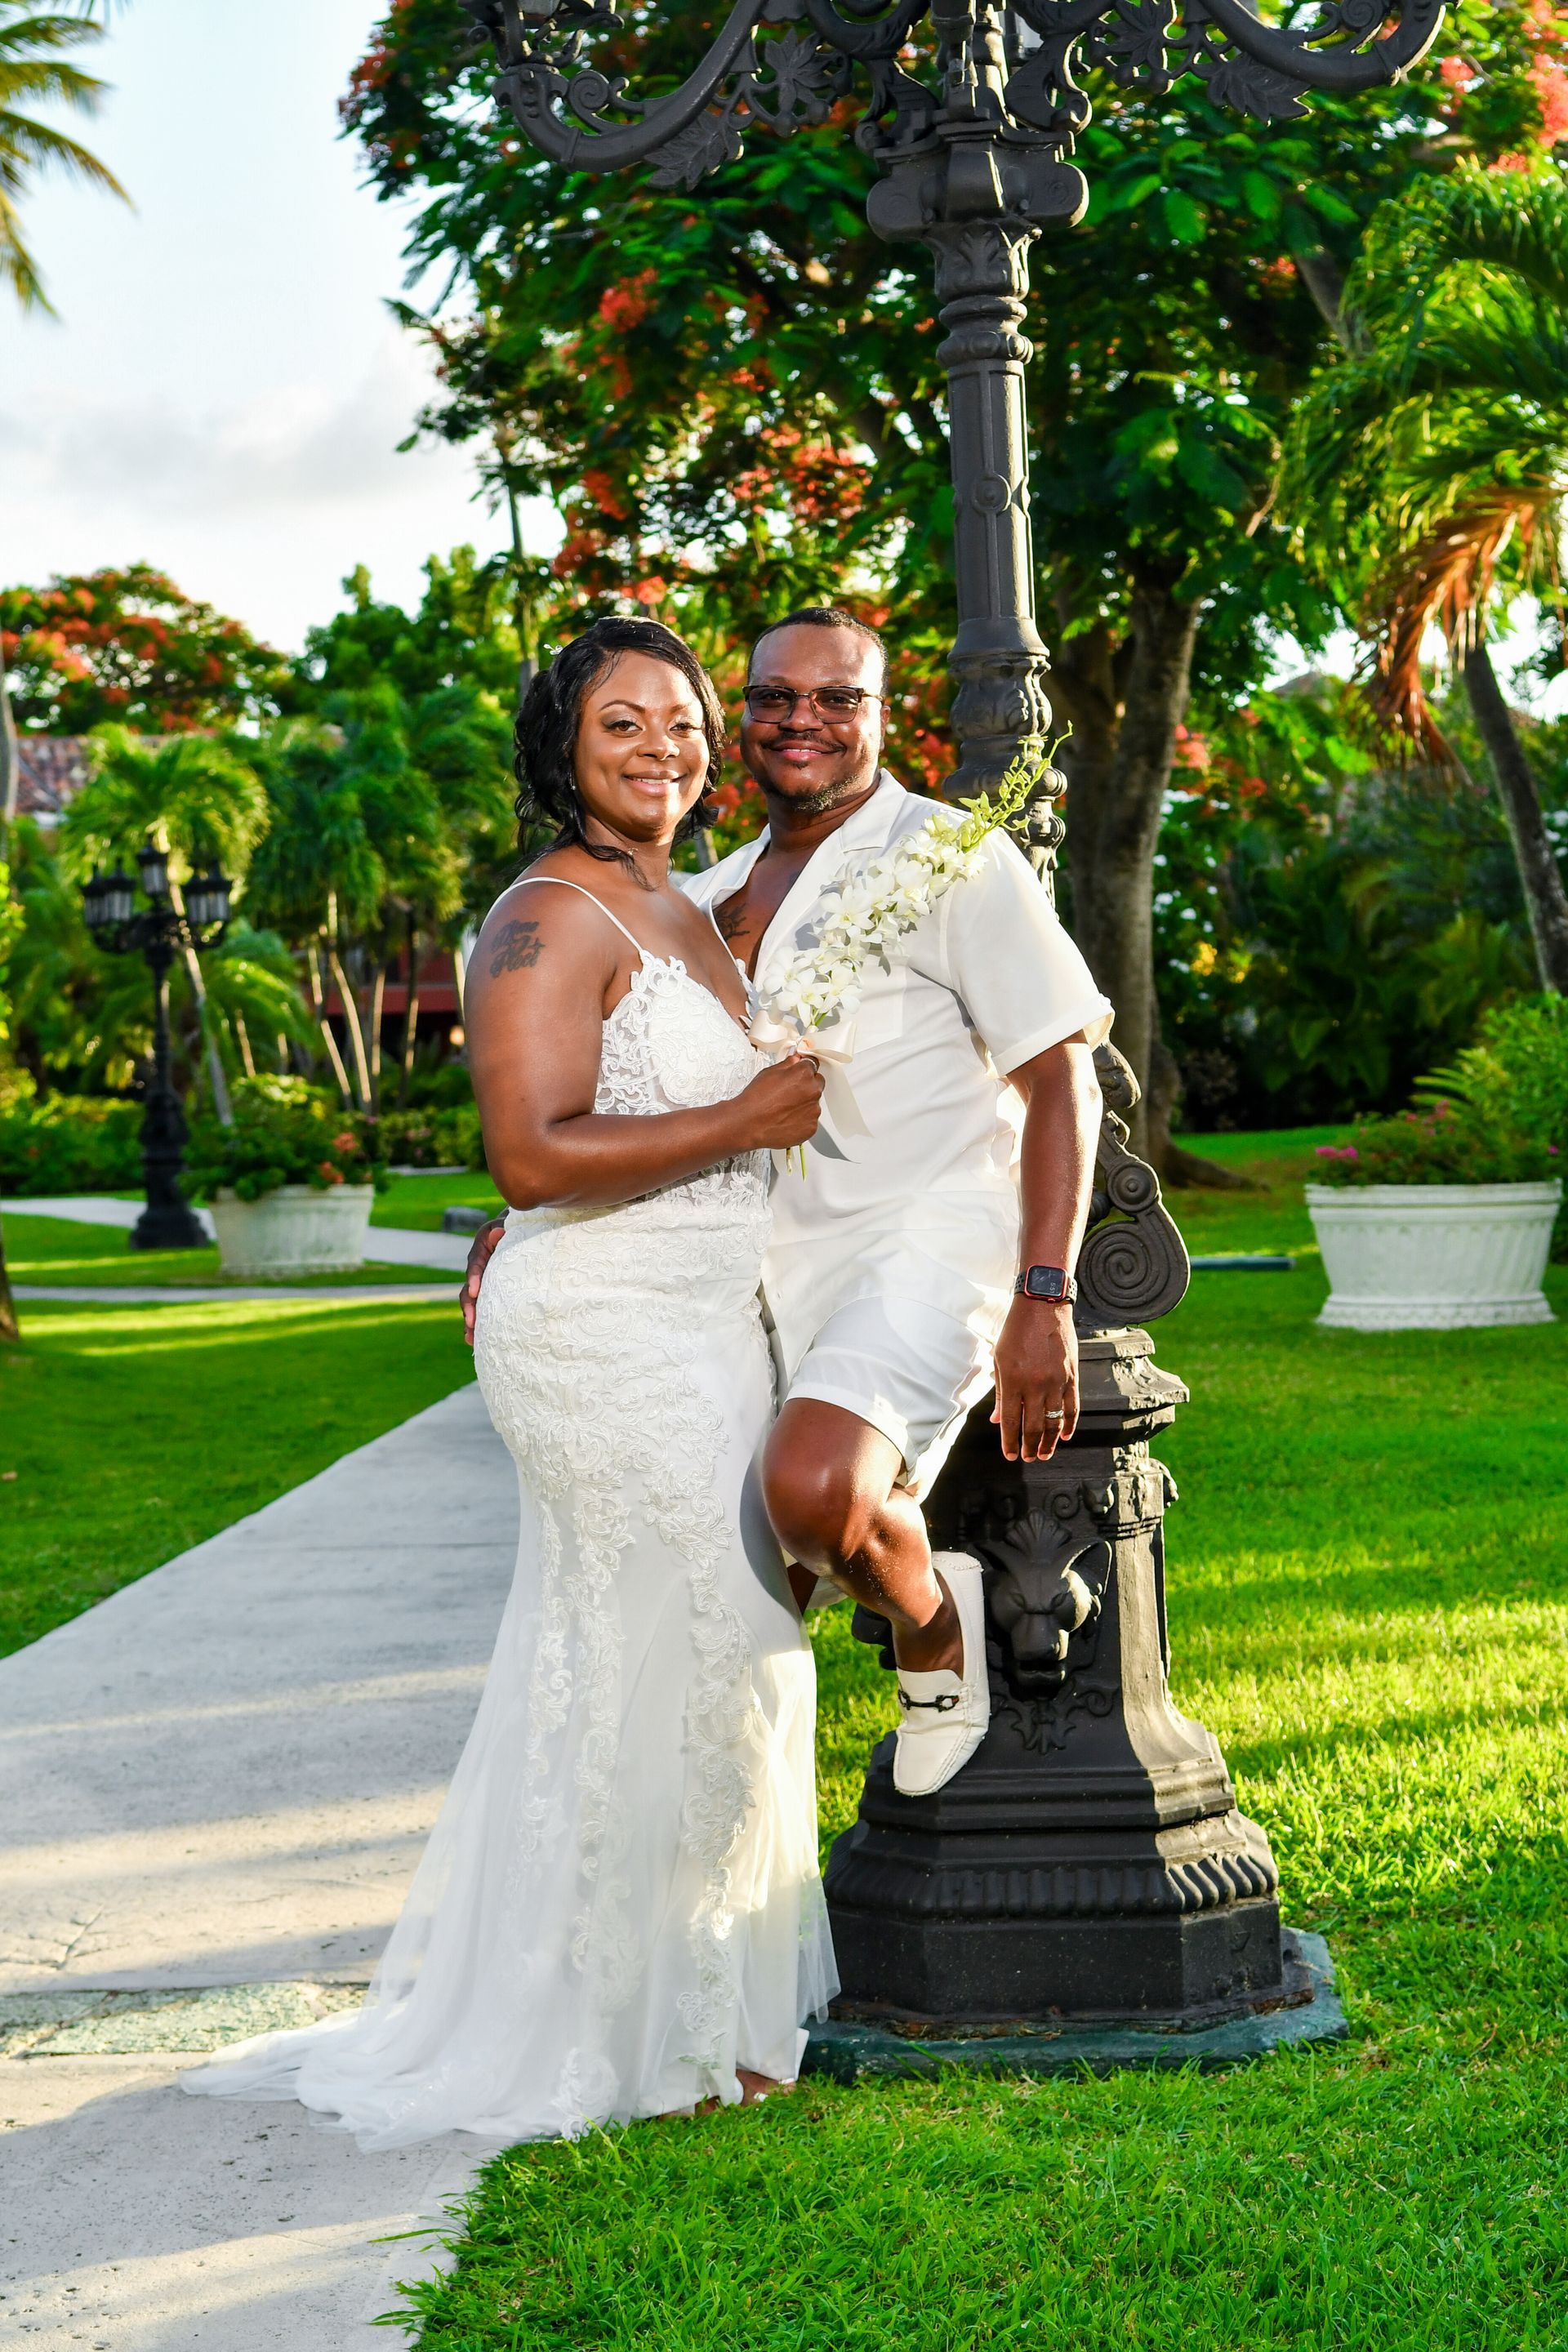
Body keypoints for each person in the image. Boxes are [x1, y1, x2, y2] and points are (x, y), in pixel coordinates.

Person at [185, 617, 836, 2149]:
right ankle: (644, 2028)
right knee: (677, 1655)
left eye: (685, 721)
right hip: (602, 1337)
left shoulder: (688, 900)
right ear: (563, 747)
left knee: (714, 1651)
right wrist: (748, 1117)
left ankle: (702, 2003)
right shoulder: (540, 916)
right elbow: (534, 1153)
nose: (666, 747)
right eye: (626, 724)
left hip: (705, 1325)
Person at [467, 606, 1112, 1802]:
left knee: (814, 1491)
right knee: (721, 1602)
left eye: (837, 698)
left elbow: (1059, 1071)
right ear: (744, 718)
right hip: (754, 1269)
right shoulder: (699, 896)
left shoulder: (954, 857)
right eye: (774, 698)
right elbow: (618, 1085)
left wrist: (1044, 1291)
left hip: (925, 1246)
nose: (803, 720)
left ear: (881, 715)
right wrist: (533, 1211)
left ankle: (935, 1635)